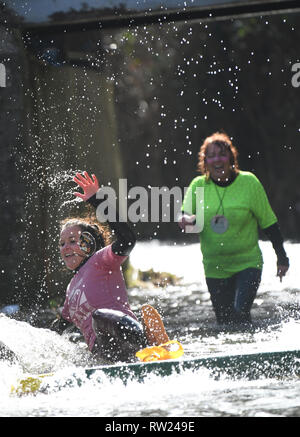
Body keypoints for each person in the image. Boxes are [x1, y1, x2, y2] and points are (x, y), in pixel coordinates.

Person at [180, 132, 289, 326]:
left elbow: (269, 223)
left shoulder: (249, 183)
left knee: (240, 313)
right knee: (224, 322)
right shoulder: (198, 185)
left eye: (222, 154)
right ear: (205, 162)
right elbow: (184, 215)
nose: (217, 160)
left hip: (247, 263)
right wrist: (186, 220)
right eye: (211, 156)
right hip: (215, 267)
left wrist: (282, 257)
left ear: (231, 158)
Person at [58, 171, 169, 363]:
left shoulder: (102, 260)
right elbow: (58, 328)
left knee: (98, 316)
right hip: (104, 355)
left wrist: (98, 200)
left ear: (89, 242)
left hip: (128, 338)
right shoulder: (71, 289)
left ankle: (149, 344)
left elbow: (127, 239)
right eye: (61, 244)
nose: (65, 247)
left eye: (72, 241)